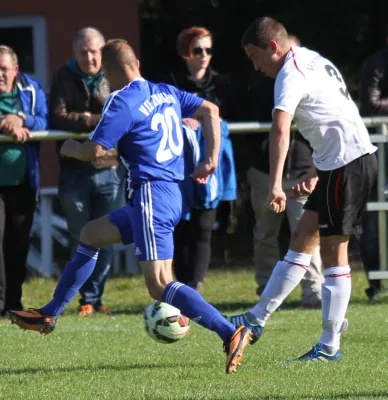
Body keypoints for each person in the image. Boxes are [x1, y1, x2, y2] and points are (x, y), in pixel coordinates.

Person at [8, 39, 252, 374]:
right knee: (91, 234)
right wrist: (210, 158)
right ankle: (49, 313)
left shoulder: (120, 100)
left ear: (108, 71)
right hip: (165, 194)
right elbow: (211, 111)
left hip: (152, 195)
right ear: (136, 62)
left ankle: (230, 331)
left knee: (159, 284)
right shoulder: (165, 91)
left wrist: (70, 148)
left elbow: (94, 152)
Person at [226, 17, 377, 361]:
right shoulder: (310, 57)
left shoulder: (288, 74)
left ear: (273, 48)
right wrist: (314, 169)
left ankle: (328, 346)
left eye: (255, 57)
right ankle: (255, 320)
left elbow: (281, 129)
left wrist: (276, 184)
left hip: (347, 165)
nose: (255, 65)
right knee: (300, 241)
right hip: (338, 164)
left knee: (333, 255)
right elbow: (336, 115)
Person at [242, 34, 323, 308]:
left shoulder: (306, 77)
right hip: (264, 171)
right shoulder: (258, 81)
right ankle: (266, 292)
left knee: (308, 235)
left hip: (302, 169)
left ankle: (313, 294)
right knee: (265, 234)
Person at [49, 27, 125, 316]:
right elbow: (58, 117)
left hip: (111, 168)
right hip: (73, 172)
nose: (90, 57)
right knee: (80, 237)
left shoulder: (113, 75)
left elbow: (122, 111)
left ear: (103, 51)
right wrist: (97, 119)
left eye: (95, 51)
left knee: (106, 238)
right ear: (74, 53)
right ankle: (83, 299)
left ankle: (95, 297)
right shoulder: (61, 77)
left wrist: (82, 120)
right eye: (84, 51)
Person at [163, 26, 237, 290]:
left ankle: (195, 285)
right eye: (198, 50)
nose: (204, 55)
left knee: (205, 225)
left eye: (208, 49)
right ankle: (181, 287)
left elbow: (229, 117)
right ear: (185, 53)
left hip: (212, 161)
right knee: (181, 226)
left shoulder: (222, 84)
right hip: (180, 163)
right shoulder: (170, 83)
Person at [0, 45, 48, 316]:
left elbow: (44, 120)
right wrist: (3, 123)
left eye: (4, 68)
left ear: (15, 70)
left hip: (23, 182)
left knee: (18, 244)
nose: (0, 74)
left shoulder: (31, 90)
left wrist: (21, 118)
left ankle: (13, 304)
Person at [359, 36, 388, 303]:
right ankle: (377, 284)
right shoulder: (377, 63)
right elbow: (369, 103)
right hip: (381, 151)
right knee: (376, 218)